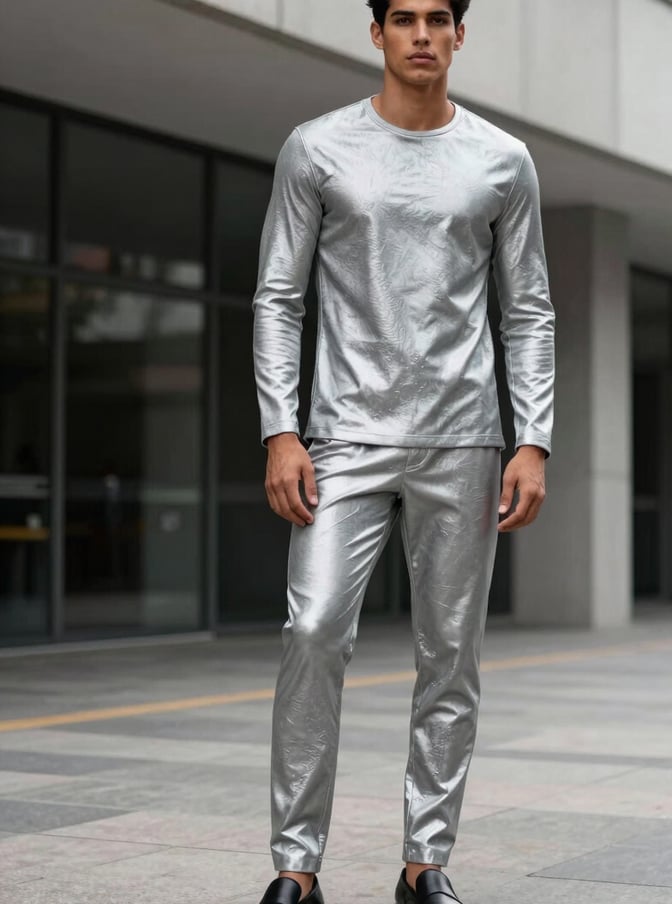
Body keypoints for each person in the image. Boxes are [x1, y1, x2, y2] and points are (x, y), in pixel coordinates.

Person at [252, 1, 555, 902]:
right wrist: (281, 427)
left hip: (464, 436)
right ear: (376, 33)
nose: (420, 34)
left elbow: (528, 308)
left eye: (437, 19)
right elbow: (279, 295)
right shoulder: (317, 148)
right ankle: (294, 868)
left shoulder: (503, 160)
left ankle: (426, 862)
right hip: (342, 434)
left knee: (449, 652)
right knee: (312, 632)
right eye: (402, 18)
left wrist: (531, 437)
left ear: (461, 35)